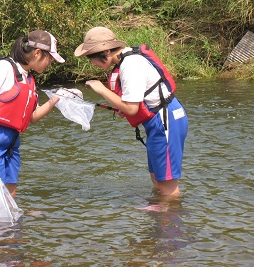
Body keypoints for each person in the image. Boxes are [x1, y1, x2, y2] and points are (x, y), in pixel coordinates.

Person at [74, 26, 188, 197]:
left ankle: (170, 219)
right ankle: (159, 214)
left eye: (92, 58)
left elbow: (132, 109)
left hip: (166, 120)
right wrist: (123, 107)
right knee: (157, 178)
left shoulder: (130, 65)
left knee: (167, 184)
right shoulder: (126, 60)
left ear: (105, 51)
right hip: (159, 119)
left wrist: (101, 90)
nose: (93, 63)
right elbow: (132, 104)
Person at [0, 30, 65, 214]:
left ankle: (7, 238)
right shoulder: (3, 68)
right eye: (49, 59)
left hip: (12, 142)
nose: (50, 63)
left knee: (9, 194)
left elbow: (32, 118)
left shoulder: (28, 78)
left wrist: (54, 100)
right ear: (37, 53)